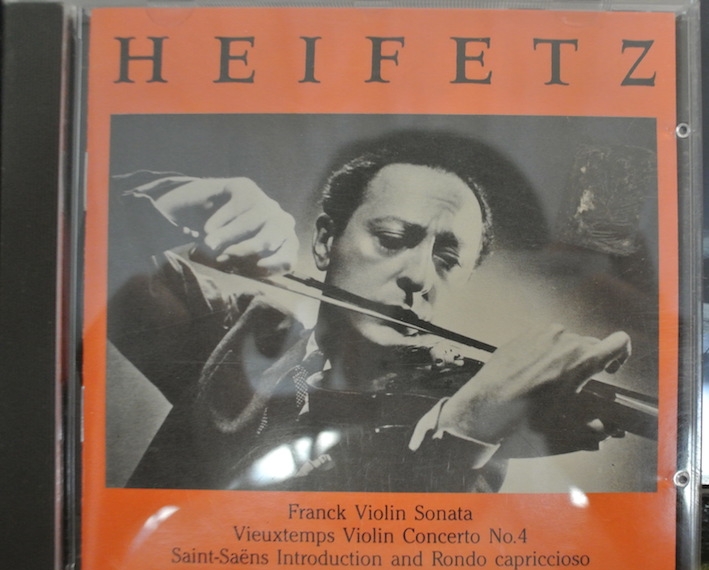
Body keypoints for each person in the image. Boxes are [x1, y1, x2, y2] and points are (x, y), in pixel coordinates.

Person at [108, 130, 631, 492]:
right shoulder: (242, 338)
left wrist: (468, 428)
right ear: (325, 243)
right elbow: (86, 256)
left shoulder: (472, 432)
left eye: (448, 260)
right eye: (392, 239)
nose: (419, 277)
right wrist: (163, 196)